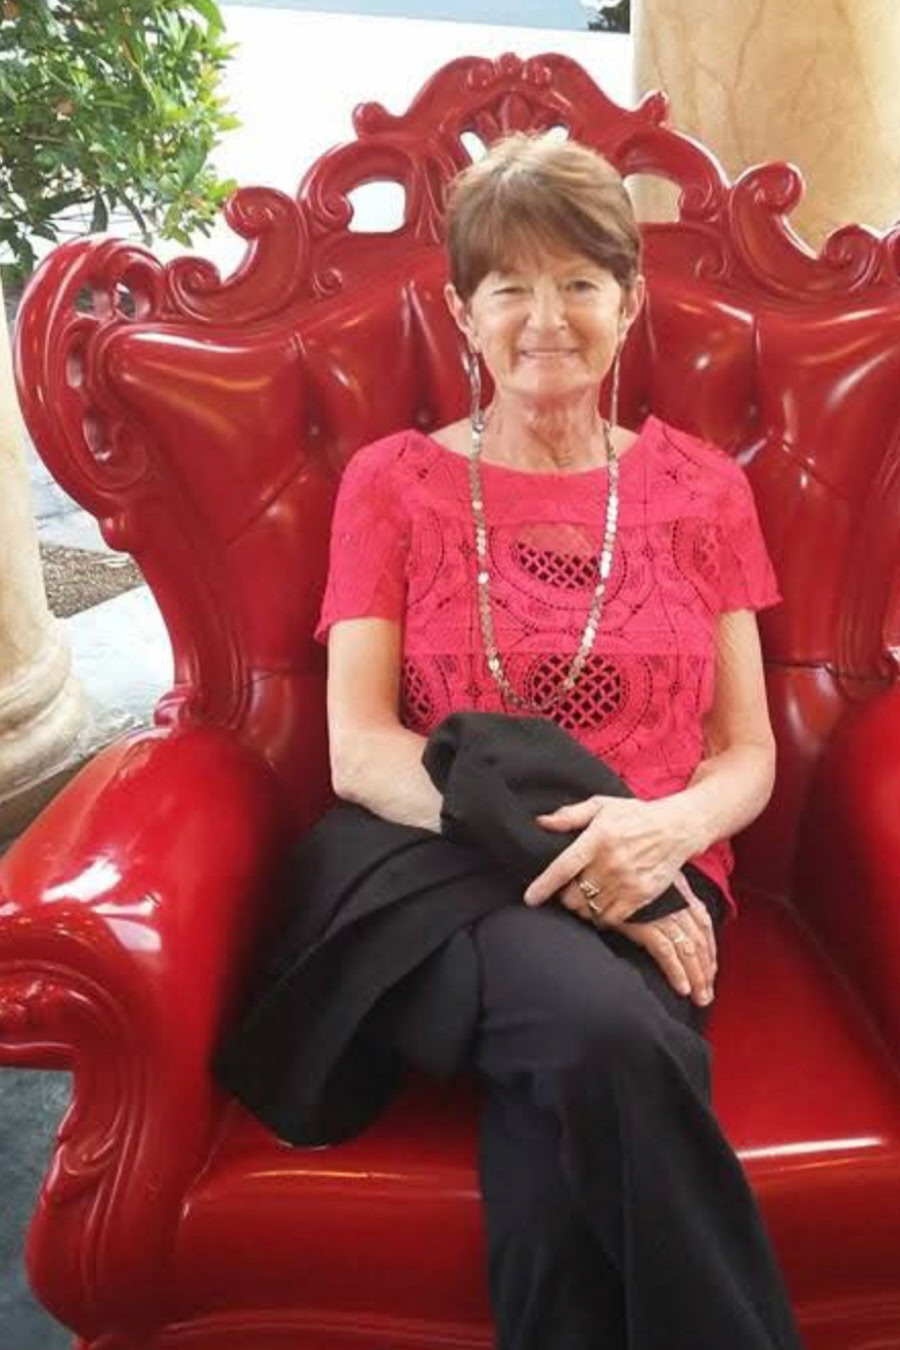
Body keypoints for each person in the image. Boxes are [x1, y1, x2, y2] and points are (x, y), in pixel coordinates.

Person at [224, 133, 805, 1350]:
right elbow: (358, 751)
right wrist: (570, 861)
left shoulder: (703, 491)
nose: (546, 319)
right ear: (462, 312)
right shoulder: (392, 484)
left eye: (580, 282)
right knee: (608, 1032)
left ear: (629, 303)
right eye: (510, 287)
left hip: (660, 860)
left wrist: (664, 833)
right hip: (444, 869)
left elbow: (746, 751)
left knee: (550, 1192)